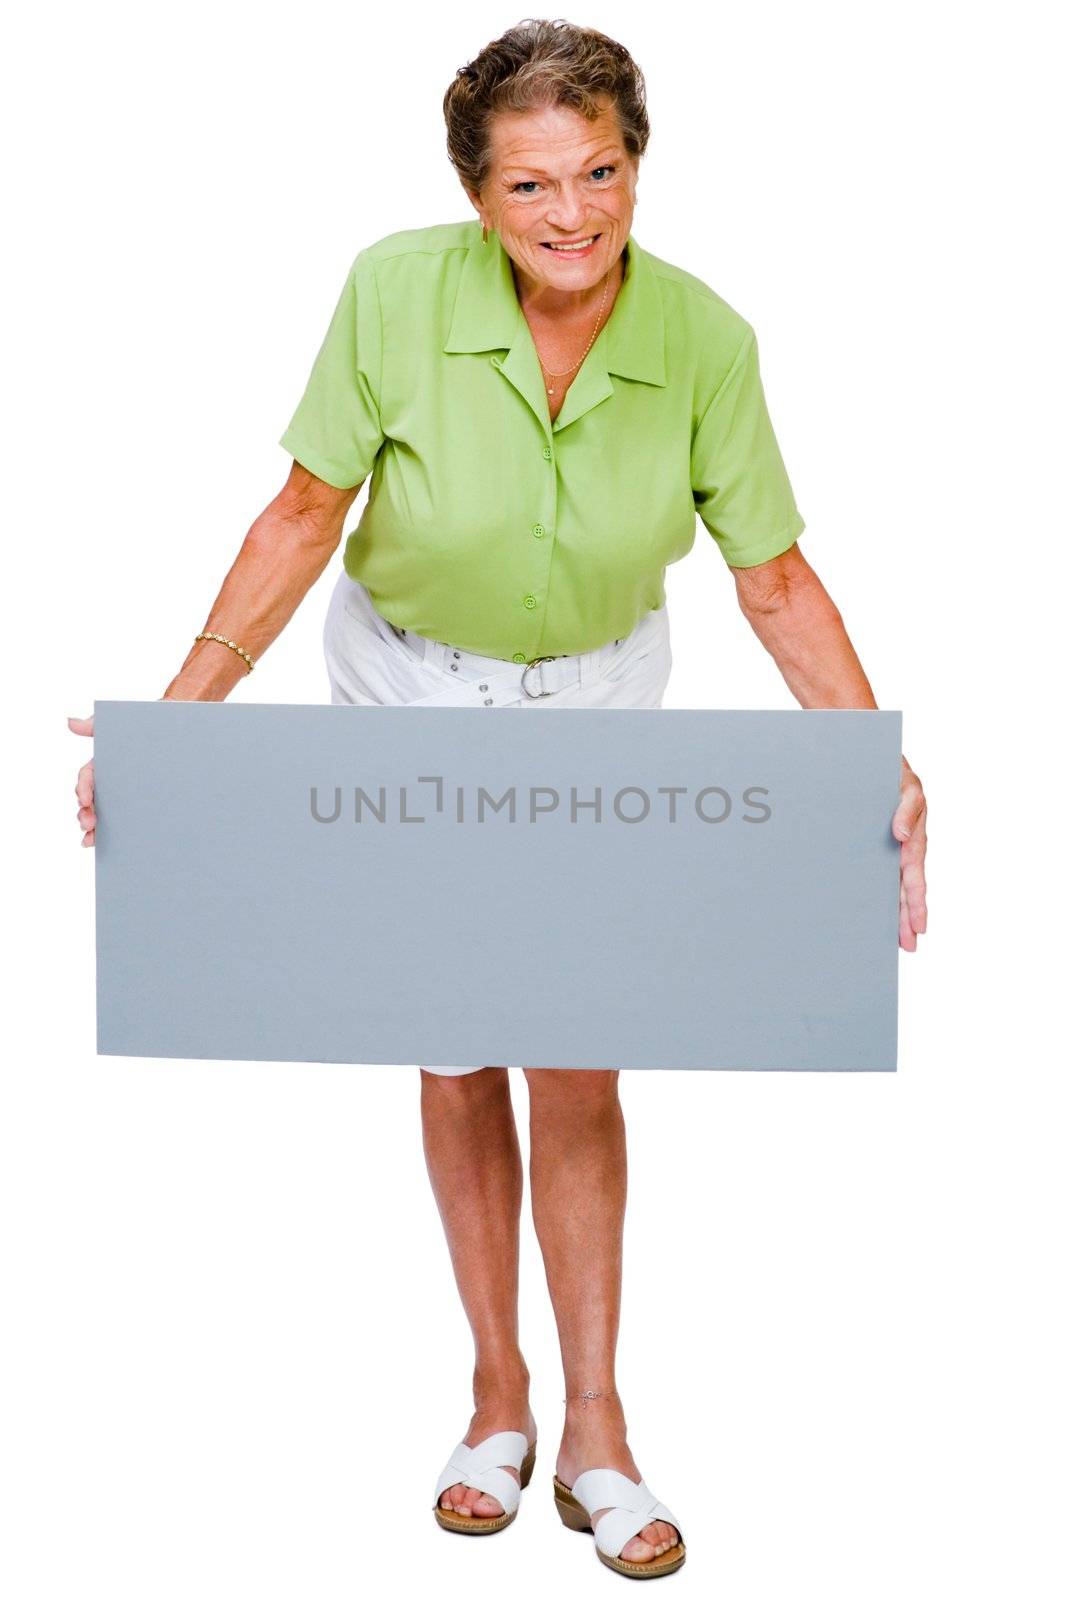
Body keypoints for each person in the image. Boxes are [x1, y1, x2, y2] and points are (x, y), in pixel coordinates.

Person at [69, 18, 928, 1581]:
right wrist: (176, 729)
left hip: (596, 698)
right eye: (530, 182)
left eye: (600, 171)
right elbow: (303, 511)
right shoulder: (393, 290)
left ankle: (597, 1424)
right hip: (406, 691)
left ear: (637, 165)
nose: (572, 213)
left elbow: (776, 576)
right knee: (455, 1045)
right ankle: (497, 1394)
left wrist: (874, 762)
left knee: (575, 1054)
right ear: (475, 193)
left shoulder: (705, 337)